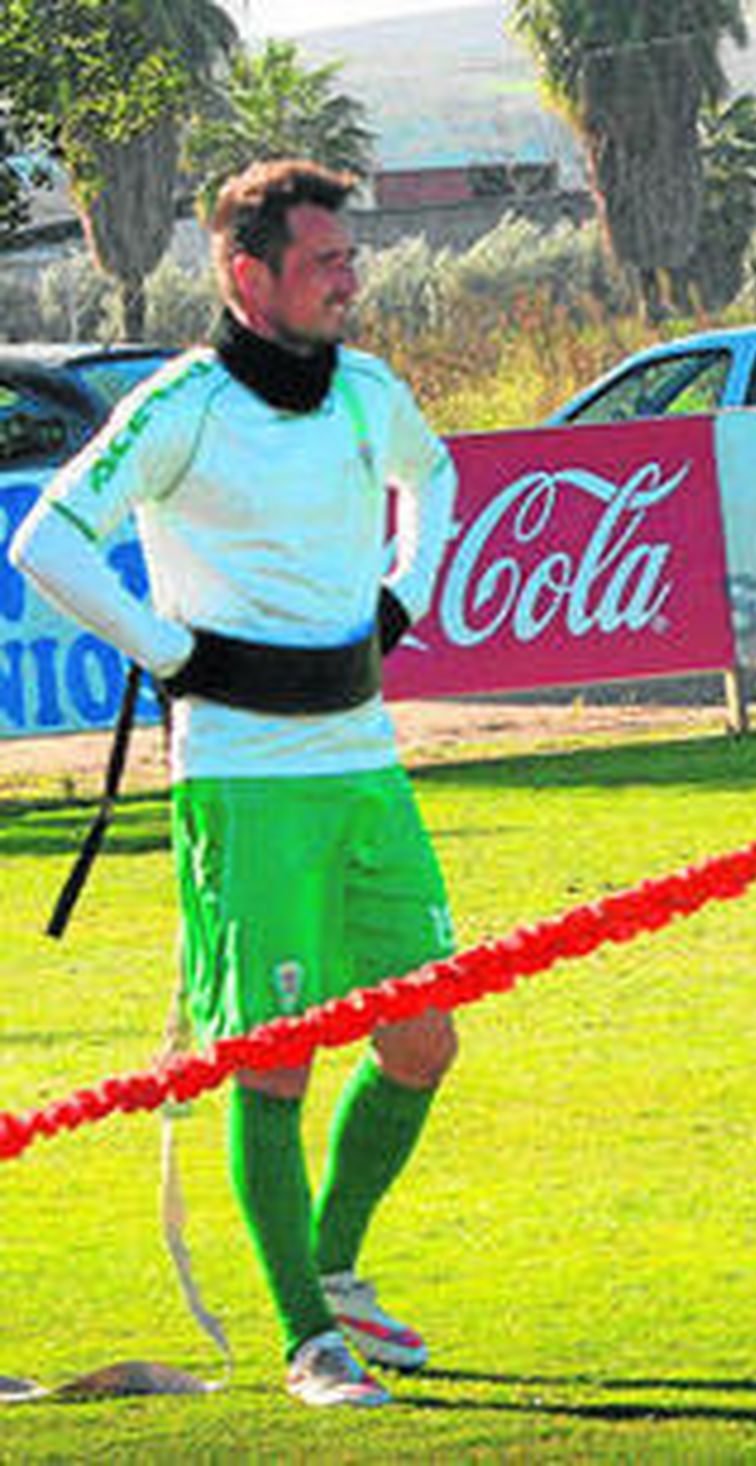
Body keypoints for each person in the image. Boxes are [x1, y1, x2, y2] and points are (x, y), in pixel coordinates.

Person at [10, 160, 459, 1409]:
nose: (349, 279)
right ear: (247, 275)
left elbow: (438, 477)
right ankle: (306, 1338)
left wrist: (402, 595)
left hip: (367, 766)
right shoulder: (180, 407)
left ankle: (335, 1265)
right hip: (245, 783)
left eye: (349, 258)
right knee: (272, 1064)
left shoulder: (369, 387)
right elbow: (43, 538)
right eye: (325, 262)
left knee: (424, 1037)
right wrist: (171, 652)